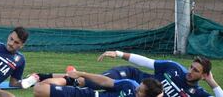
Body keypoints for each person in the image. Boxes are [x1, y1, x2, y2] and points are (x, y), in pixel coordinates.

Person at [93, 51, 223, 97]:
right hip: (130, 76)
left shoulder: (199, 94)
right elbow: (147, 62)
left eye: (196, 71)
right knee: (89, 82)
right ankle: (73, 79)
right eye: (191, 67)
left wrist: (211, 81)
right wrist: (119, 54)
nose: (190, 72)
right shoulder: (175, 68)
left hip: (134, 94)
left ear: (204, 75)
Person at [33, 69, 163, 97]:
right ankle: (69, 79)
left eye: (140, 92)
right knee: (40, 89)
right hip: (90, 96)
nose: (136, 90)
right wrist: (82, 73)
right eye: (138, 87)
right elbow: (106, 81)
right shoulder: (130, 85)